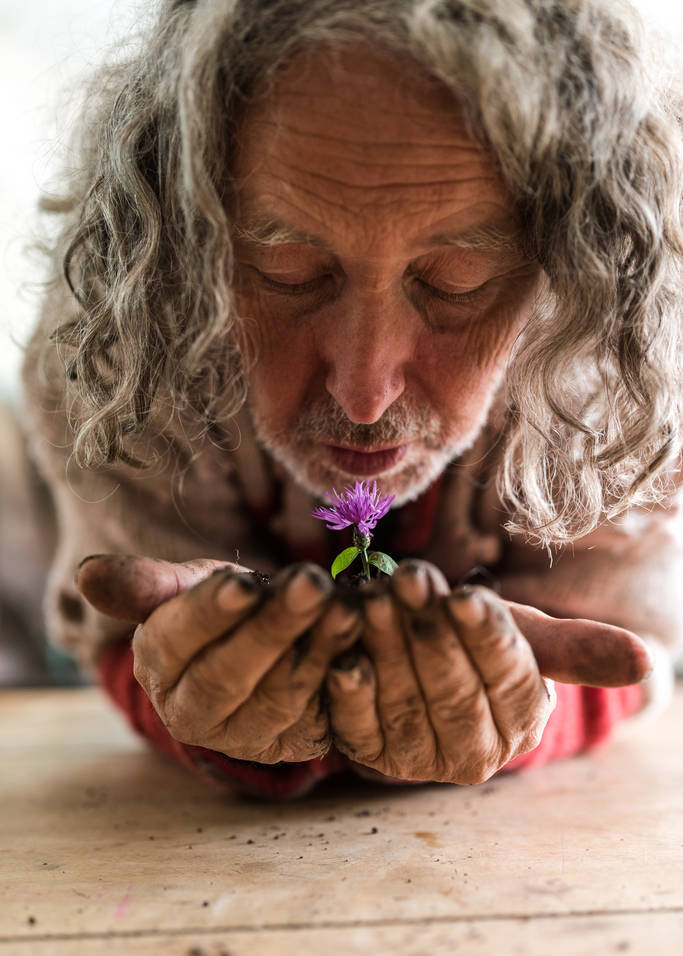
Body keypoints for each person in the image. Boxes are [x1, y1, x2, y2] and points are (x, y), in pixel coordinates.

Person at [20, 0, 682, 800]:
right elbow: (122, 631)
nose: (364, 393)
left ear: (562, 262)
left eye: (453, 284)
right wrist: (190, 698)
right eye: (287, 273)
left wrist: (521, 711)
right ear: (190, 231)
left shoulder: (614, 356)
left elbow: (625, 648)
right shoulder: (119, 336)